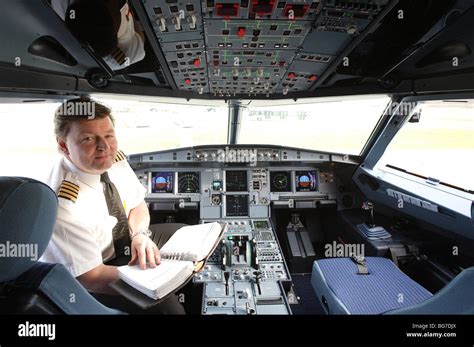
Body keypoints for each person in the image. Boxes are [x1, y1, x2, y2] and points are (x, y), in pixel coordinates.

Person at [40, 97, 185, 314]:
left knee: (184, 237)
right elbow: (91, 277)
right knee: (169, 310)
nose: (104, 147)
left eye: (109, 135)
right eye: (88, 138)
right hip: (93, 277)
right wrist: (163, 278)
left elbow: (138, 206)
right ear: (63, 146)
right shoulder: (61, 204)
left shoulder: (113, 159)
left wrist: (140, 235)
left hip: (125, 245)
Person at [51, 0, 145, 71]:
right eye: (115, 11)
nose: (113, 3)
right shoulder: (121, 58)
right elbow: (140, 38)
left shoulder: (61, 5)